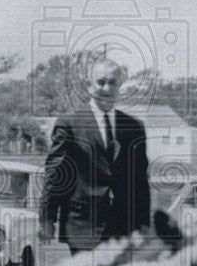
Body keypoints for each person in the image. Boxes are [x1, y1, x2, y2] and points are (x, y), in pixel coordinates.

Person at [40, 58, 151, 253]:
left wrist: (143, 224)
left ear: (120, 86)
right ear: (89, 85)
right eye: (101, 82)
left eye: (113, 82)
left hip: (123, 228)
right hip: (82, 225)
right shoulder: (70, 123)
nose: (106, 88)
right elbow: (55, 175)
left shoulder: (134, 127)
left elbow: (140, 180)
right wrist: (47, 218)